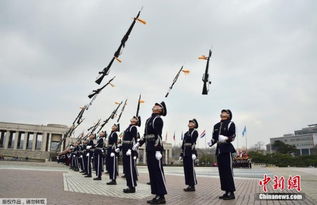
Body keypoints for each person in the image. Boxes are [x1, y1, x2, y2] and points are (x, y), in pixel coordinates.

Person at [133, 102, 167, 204]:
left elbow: (158, 136)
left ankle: (161, 196)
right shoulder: (149, 120)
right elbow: (145, 135)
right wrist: (139, 143)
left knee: (158, 172)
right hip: (149, 147)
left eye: (158, 106)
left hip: (155, 148)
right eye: (155, 105)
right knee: (152, 172)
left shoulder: (158, 119)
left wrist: (158, 150)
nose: (155, 106)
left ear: (160, 110)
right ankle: (156, 194)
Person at [209, 109, 236, 200]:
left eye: (226, 112)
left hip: (227, 149)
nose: (223, 113)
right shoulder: (216, 125)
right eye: (222, 112)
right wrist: (211, 142)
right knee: (222, 172)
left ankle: (231, 192)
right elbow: (214, 137)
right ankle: (226, 191)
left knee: (228, 171)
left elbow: (233, 136)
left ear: (228, 115)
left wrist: (226, 139)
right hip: (219, 150)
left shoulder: (230, 124)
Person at [119, 117, 139, 193]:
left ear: (136, 121)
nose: (133, 118)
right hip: (125, 149)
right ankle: (129, 186)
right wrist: (120, 147)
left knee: (130, 169)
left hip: (129, 150)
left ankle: (132, 187)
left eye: (135, 118)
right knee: (127, 169)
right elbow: (124, 140)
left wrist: (131, 150)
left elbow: (134, 140)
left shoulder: (133, 128)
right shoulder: (129, 127)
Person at [180, 119, 198, 192]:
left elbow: (193, 143)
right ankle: (189, 185)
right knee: (186, 169)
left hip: (190, 152)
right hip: (185, 152)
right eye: (189, 122)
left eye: (192, 122)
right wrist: (181, 154)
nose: (190, 123)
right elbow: (183, 144)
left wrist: (193, 153)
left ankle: (192, 185)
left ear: (195, 125)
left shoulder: (194, 132)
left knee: (191, 169)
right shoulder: (186, 133)